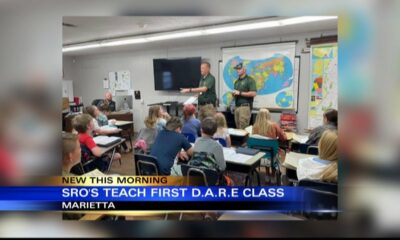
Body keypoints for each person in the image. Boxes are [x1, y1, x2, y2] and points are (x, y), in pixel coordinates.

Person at [232, 61, 257, 129]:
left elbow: (253, 93)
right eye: (237, 69)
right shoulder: (236, 82)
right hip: (237, 107)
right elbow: (236, 94)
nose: (237, 70)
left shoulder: (250, 80)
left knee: (243, 129)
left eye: (239, 69)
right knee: (238, 129)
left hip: (245, 107)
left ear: (244, 70)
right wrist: (233, 94)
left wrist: (240, 93)